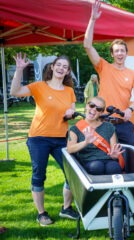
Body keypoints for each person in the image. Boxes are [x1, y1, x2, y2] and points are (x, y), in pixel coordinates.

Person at [84, 0, 134, 213]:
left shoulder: (132, 74)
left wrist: (131, 109)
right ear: (112, 53)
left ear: (126, 53)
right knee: (102, 162)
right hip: (102, 123)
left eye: (122, 50)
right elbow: (87, 45)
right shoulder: (103, 67)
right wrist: (92, 20)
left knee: (132, 161)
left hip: (123, 124)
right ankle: (104, 200)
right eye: (116, 51)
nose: (120, 53)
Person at [10, 53, 79, 226]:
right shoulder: (39, 86)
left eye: (65, 66)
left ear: (68, 71)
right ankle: (41, 214)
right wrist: (19, 70)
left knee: (72, 173)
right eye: (59, 65)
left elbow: (71, 110)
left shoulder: (69, 91)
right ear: (52, 67)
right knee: (39, 175)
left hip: (61, 139)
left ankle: (66, 208)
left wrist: (70, 114)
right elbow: (15, 91)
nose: (61, 68)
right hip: (38, 138)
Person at [67, 97, 124, 175]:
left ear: (101, 113)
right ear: (86, 106)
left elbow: (113, 149)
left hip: (108, 160)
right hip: (88, 161)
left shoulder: (109, 127)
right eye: (91, 105)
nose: (94, 109)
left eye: (98, 109)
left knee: (114, 167)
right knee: (97, 167)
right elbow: (70, 149)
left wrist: (114, 156)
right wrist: (85, 142)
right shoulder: (75, 129)